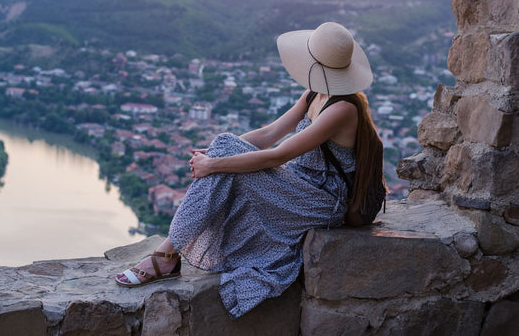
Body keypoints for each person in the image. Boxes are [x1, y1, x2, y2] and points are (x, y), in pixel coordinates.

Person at [115, 22, 385, 319]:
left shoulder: (342, 109)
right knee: (224, 143)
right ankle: (169, 252)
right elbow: (270, 133)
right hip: (300, 183)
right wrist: (218, 153)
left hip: (322, 201)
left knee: (224, 154)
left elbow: (279, 155)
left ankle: (166, 255)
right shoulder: (314, 94)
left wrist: (214, 164)